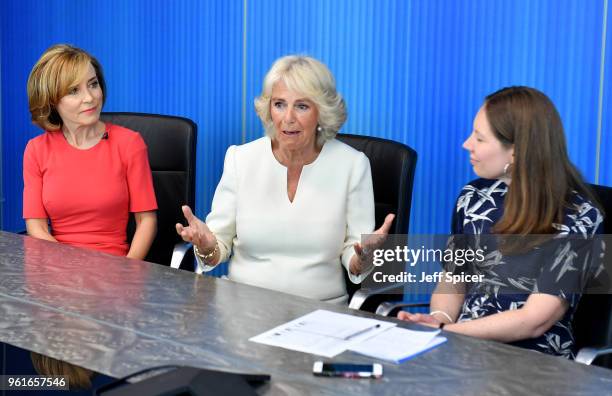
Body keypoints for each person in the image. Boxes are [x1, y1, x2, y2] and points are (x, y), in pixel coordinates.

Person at [399, 86, 604, 358]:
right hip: (465, 350)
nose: (466, 144)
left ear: (516, 152)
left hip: (535, 364)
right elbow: (453, 280)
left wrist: (446, 331)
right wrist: (439, 318)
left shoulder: (580, 217)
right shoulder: (472, 198)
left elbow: (535, 320)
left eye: (480, 138)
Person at [176, 55, 394, 303]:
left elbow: (355, 260)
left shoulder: (353, 165)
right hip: (242, 308)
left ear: (321, 112)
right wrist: (206, 246)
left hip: (321, 312)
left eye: (302, 106)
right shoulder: (240, 158)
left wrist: (364, 258)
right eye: (279, 104)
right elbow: (217, 250)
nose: (288, 117)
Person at [23, 44, 157, 258]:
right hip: (57, 269)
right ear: (51, 100)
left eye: (93, 84)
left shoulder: (130, 143)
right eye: (73, 91)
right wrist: (71, 268)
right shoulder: (36, 150)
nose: (90, 98)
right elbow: (36, 228)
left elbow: (146, 221)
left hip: (114, 271)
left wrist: (128, 272)